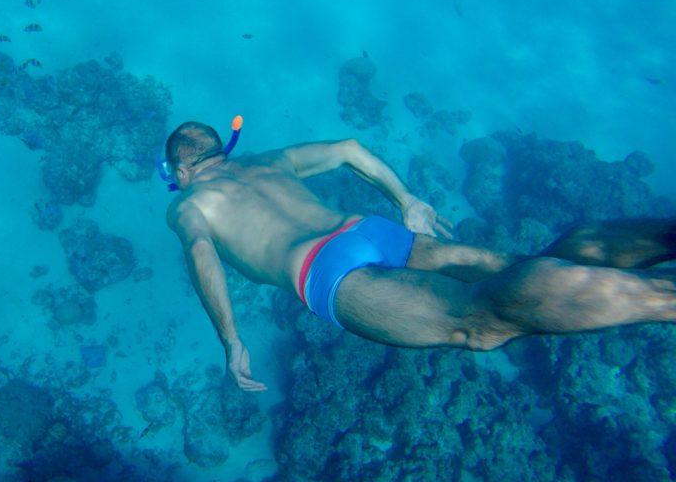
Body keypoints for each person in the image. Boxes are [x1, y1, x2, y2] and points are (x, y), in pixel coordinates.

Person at [162, 120, 676, 392]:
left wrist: (230, 340)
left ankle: (665, 298)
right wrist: (407, 200)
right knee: (526, 265)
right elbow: (347, 147)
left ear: (180, 171)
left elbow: (203, 253)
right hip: (371, 231)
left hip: (326, 271)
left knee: (479, 321)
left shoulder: (189, 203)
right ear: (221, 150)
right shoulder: (266, 160)